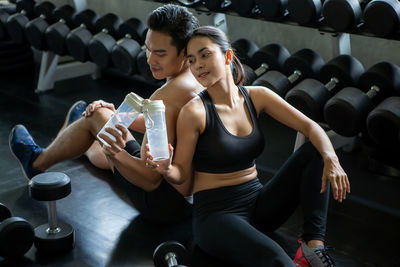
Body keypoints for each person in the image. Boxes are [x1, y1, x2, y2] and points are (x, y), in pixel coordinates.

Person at [145, 26, 350, 266]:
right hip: (217, 217)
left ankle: (313, 248)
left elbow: (310, 127)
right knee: (277, 260)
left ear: (228, 56)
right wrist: (166, 168)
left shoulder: (257, 96)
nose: (197, 64)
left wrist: (332, 160)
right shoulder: (194, 112)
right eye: (191, 60)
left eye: (205, 54)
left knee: (316, 150)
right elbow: (182, 175)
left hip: (257, 204)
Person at [9, 4, 203, 223]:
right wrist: (120, 118)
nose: (150, 60)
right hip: (192, 201)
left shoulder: (167, 95)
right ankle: (85, 137)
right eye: (148, 49)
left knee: (97, 118)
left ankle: (36, 163)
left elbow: (150, 180)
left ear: (185, 52)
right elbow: (168, 126)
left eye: (160, 53)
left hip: (159, 204)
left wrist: (114, 151)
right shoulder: (201, 77)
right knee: (104, 124)